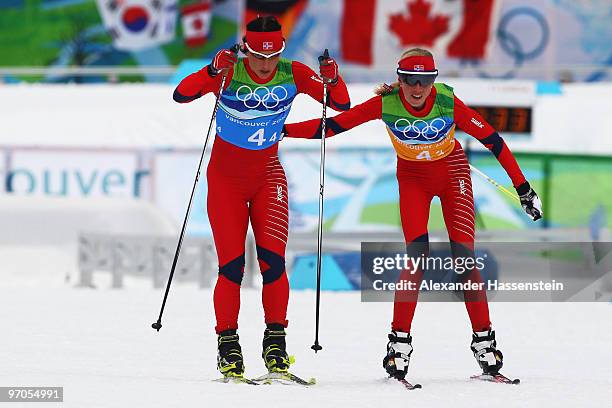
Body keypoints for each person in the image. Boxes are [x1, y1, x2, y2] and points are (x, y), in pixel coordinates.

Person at [283, 48, 542, 380]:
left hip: (453, 175)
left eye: (424, 82)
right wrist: (285, 130)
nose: (417, 89)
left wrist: (523, 188)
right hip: (413, 180)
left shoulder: (448, 102)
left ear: (434, 81)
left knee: (464, 259)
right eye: (410, 81)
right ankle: (398, 344)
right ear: (399, 80)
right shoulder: (385, 104)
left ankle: (484, 342)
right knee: (416, 258)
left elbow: (494, 141)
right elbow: (333, 126)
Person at [173, 15, 351, 379]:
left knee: (274, 263)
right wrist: (211, 70)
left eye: (272, 57)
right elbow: (181, 94)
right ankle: (228, 347)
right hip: (226, 182)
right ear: (246, 49)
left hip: (269, 177)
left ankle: (276, 346)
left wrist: (332, 77)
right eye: (257, 56)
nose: (265, 64)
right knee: (232, 267)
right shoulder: (229, 70)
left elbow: (341, 104)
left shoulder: (296, 73)